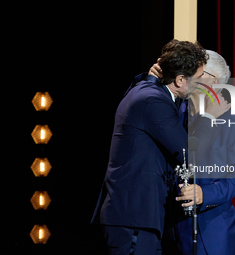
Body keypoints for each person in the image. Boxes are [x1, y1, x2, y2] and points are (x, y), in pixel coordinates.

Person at [91, 40, 227, 255]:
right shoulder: (153, 101)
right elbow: (189, 153)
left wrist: (154, 78)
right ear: (180, 79)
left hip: (135, 216)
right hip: (134, 217)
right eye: (199, 77)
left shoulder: (147, 89)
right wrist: (210, 113)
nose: (203, 83)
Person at [149, 50, 235, 255]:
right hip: (170, 230)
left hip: (212, 234)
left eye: (198, 72)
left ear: (215, 82)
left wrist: (205, 193)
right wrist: (151, 80)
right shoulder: (171, 115)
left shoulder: (231, 122)